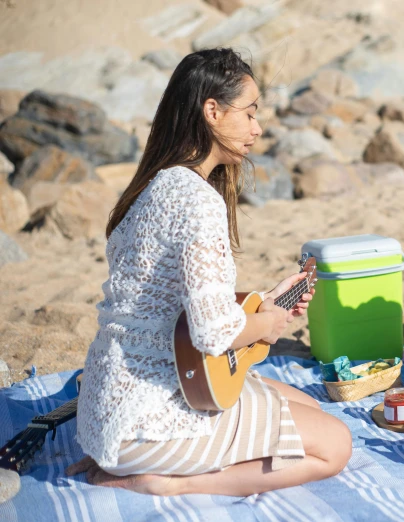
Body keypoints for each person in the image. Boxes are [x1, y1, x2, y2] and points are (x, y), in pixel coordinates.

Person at [66, 49, 352, 496]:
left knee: (305, 404)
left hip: (104, 411)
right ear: (212, 111)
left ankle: (134, 461)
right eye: (250, 112)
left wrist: (262, 305)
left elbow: (172, 303)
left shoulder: (153, 186)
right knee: (335, 444)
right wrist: (270, 323)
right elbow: (213, 334)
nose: (258, 128)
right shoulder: (198, 201)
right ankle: (167, 484)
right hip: (150, 419)